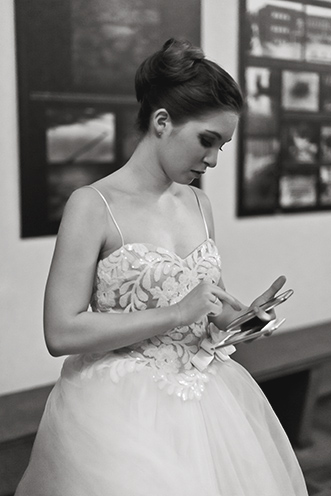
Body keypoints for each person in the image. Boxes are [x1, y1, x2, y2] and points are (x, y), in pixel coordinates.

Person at [15, 38, 308, 496]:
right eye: (206, 141)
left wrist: (243, 318)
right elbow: (61, 332)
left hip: (207, 399)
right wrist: (176, 313)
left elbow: (209, 303)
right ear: (162, 122)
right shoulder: (92, 205)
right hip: (119, 409)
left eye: (222, 147)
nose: (212, 159)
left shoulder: (199, 202)